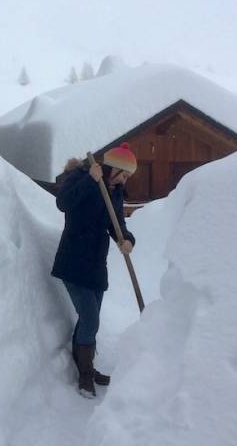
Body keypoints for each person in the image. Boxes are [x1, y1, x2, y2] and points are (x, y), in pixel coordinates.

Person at [51, 142, 137, 398]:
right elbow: (64, 203)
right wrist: (90, 181)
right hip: (73, 261)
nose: (123, 179)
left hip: (97, 264)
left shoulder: (116, 191)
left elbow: (117, 224)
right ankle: (85, 377)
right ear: (110, 167)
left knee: (90, 319)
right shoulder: (81, 177)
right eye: (122, 173)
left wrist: (127, 239)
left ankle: (85, 366)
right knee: (90, 318)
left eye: (128, 176)